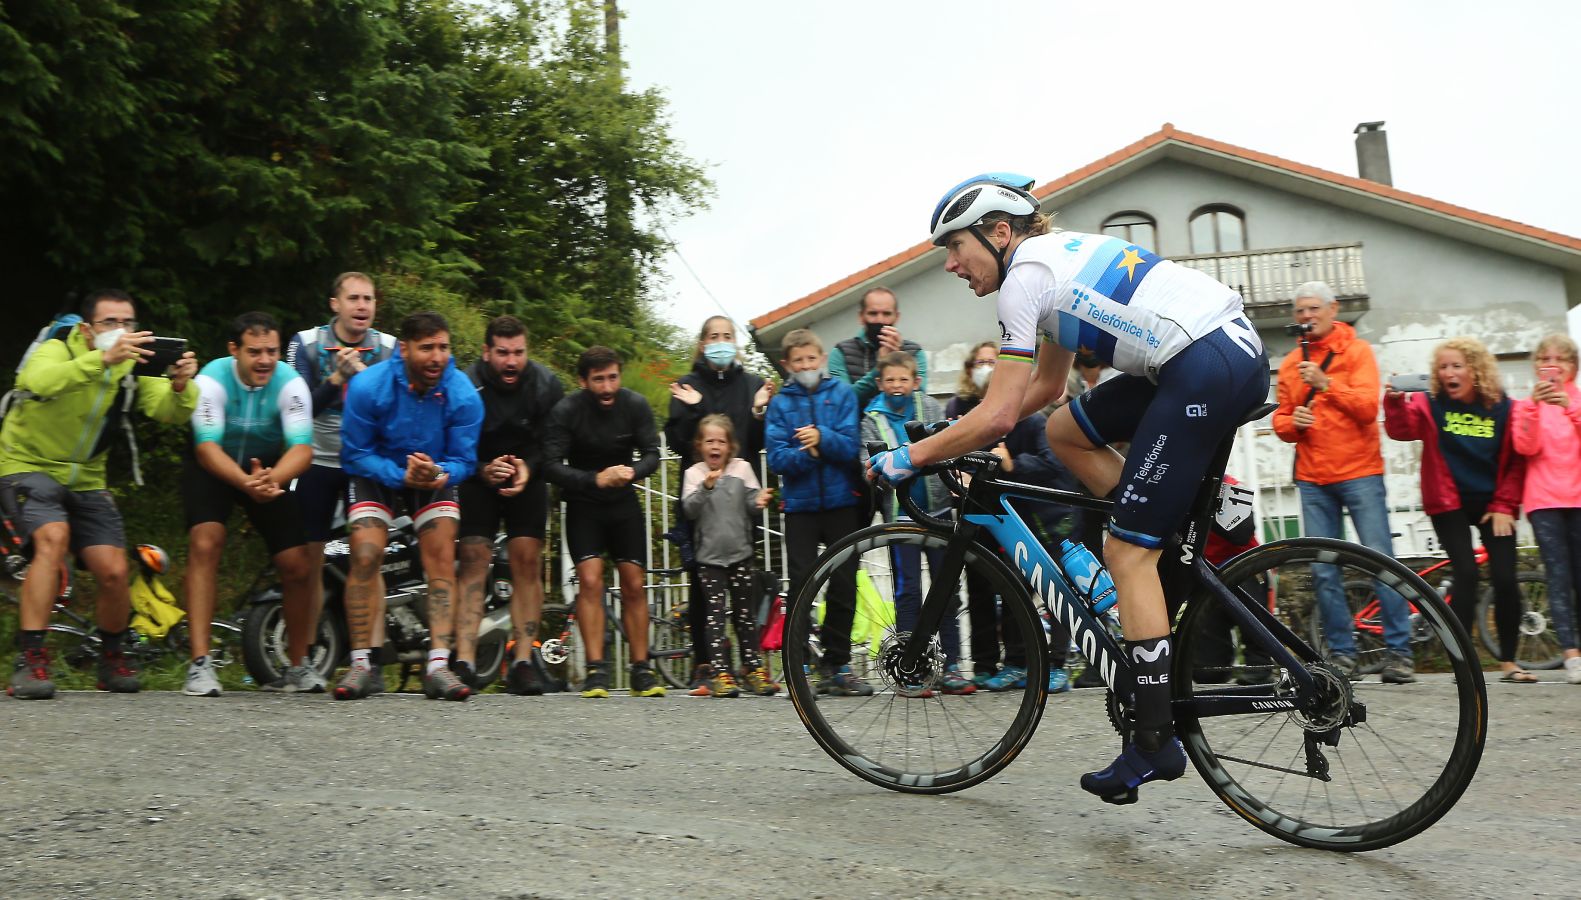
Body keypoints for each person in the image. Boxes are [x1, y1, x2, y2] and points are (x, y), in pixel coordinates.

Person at [869, 173, 1269, 803]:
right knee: (1065, 432)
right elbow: (1043, 392)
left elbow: (1000, 417)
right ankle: (1181, 514)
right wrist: (958, 429)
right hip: (1214, 353)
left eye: (955, 246)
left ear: (999, 233)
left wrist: (909, 457)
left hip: (1203, 362)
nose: (950, 264)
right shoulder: (1045, 270)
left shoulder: (1024, 278)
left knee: (1126, 552)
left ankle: (1153, 740)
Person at [1, 289, 198, 699]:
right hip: (27, 464)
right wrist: (99, 361)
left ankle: (111, 659)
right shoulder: (57, 348)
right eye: (111, 323)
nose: (121, 331)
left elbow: (166, 411)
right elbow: (34, 381)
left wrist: (180, 386)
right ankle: (31, 661)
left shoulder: (132, 366)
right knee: (52, 539)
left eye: (128, 323)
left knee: (113, 570)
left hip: (87, 477)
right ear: (87, 330)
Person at [334, 312, 483, 702]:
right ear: (404, 349)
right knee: (365, 552)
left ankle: (437, 664)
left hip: (433, 473)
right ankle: (362, 661)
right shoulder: (369, 386)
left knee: (440, 553)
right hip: (379, 470)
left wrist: (439, 473)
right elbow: (354, 455)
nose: (437, 357)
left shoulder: (463, 393)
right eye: (427, 347)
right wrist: (400, 476)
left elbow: (465, 462)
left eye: (444, 347)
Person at [1272, 280, 1414, 682]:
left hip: (1360, 472)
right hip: (1313, 478)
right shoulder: (1288, 365)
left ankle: (1399, 654)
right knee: (1323, 570)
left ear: (1333, 310)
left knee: (1381, 561)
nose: (1307, 316)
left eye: (1314, 308)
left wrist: (1325, 384)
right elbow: (1281, 419)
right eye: (1300, 310)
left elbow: (1368, 409)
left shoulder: (1358, 351)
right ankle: (1341, 655)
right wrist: (1292, 424)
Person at [182, 311, 317, 697]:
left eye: (272, 351)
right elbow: (206, 449)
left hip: (268, 469)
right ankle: (200, 665)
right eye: (254, 352)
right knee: (205, 542)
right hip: (214, 467)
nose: (264, 361)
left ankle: (298, 665)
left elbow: (302, 450)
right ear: (233, 350)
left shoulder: (291, 384)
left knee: (297, 564)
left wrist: (270, 481)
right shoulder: (211, 379)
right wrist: (245, 483)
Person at [1385, 337, 1532, 682]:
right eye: (1443, 367)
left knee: (1506, 578)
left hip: (1494, 503)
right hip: (1448, 501)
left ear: (1476, 370)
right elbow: (1400, 429)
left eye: (1457, 366)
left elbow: (1515, 462)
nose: (1448, 373)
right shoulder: (1429, 403)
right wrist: (1393, 402)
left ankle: (1509, 662)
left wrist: (1504, 505)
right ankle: (1464, 666)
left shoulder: (1503, 407)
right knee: (1466, 573)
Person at [947, 340, 1080, 693]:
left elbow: (1052, 466)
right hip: (983, 517)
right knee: (993, 590)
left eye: (995, 363)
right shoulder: (962, 411)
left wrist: (1012, 464)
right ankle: (1000, 664)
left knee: (1045, 590)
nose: (988, 370)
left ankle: (1046, 664)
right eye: (982, 363)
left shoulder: (1033, 420)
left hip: (1032, 520)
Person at [284, 272, 397, 687]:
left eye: (368, 299)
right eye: (353, 299)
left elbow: (396, 408)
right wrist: (337, 379)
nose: (362, 306)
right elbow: (298, 409)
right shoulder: (306, 343)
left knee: (369, 556)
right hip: (315, 459)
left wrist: (366, 383)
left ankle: (373, 656)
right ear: (335, 304)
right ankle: (308, 657)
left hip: (363, 461)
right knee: (309, 560)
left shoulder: (387, 348)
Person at [541, 346, 666, 699]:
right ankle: (596, 671)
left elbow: (653, 454)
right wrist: (595, 479)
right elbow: (551, 465)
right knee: (591, 582)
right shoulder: (567, 410)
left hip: (623, 502)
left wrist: (631, 472)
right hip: (584, 504)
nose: (608, 387)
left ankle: (641, 669)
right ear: (583, 381)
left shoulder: (635, 405)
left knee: (633, 583)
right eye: (599, 380)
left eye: (613, 377)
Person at [454, 315, 564, 694]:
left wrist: (527, 470)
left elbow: (553, 445)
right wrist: (483, 469)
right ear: (486, 352)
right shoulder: (465, 384)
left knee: (527, 563)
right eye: (502, 353)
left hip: (527, 476)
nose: (511, 361)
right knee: (472, 562)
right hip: (476, 474)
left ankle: (522, 661)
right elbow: (452, 443)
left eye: (518, 352)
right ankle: (464, 659)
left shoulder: (547, 384)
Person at [664, 315, 772, 695]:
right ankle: (706, 665)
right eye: (713, 336)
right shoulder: (687, 385)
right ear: (702, 343)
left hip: (740, 500)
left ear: (736, 343)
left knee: (746, 586)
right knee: (702, 589)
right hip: (701, 502)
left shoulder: (753, 385)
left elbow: (760, 441)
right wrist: (693, 409)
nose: (720, 342)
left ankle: (750, 664)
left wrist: (759, 411)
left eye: (727, 336)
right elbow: (677, 440)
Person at [857, 352, 972, 695]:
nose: (897, 386)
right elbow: (868, 461)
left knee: (947, 589)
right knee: (908, 592)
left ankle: (951, 665)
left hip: (937, 513)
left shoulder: (929, 408)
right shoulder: (870, 418)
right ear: (880, 383)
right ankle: (911, 669)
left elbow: (946, 444)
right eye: (890, 380)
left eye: (903, 379)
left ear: (916, 382)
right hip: (900, 517)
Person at [766, 329, 871, 696]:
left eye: (812, 359)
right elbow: (777, 459)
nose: (806, 366)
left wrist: (821, 439)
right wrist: (806, 453)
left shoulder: (841, 393)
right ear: (787, 365)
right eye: (799, 361)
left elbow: (849, 447)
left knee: (844, 583)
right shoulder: (780, 404)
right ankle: (797, 664)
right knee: (801, 586)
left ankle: (837, 664)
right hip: (800, 508)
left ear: (822, 358)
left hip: (842, 502)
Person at [680, 414, 777, 698]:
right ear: (700, 445)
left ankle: (752, 668)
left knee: (745, 616)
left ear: (730, 446)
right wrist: (706, 488)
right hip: (709, 559)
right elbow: (689, 510)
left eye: (721, 441)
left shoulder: (742, 468)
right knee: (715, 617)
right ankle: (720, 672)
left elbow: (751, 503)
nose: (715, 446)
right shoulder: (694, 474)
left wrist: (758, 501)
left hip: (740, 554)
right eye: (709, 441)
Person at [1511, 334, 1581, 684]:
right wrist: (1535, 408)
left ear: (1573, 367)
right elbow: (1525, 446)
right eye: (1545, 359)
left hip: (1579, 498)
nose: (1552, 365)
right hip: (1545, 501)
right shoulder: (1525, 405)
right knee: (1558, 576)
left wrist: (1569, 405)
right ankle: (1571, 654)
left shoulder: (1578, 401)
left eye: (1561, 359)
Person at [828, 287, 927, 407]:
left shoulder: (915, 352)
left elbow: (921, 400)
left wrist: (898, 361)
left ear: (897, 317)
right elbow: (843, 401)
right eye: (873, 313)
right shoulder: (841, 353)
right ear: (861, 317)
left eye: (886, 314)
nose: (880, 320)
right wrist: (879, 368)